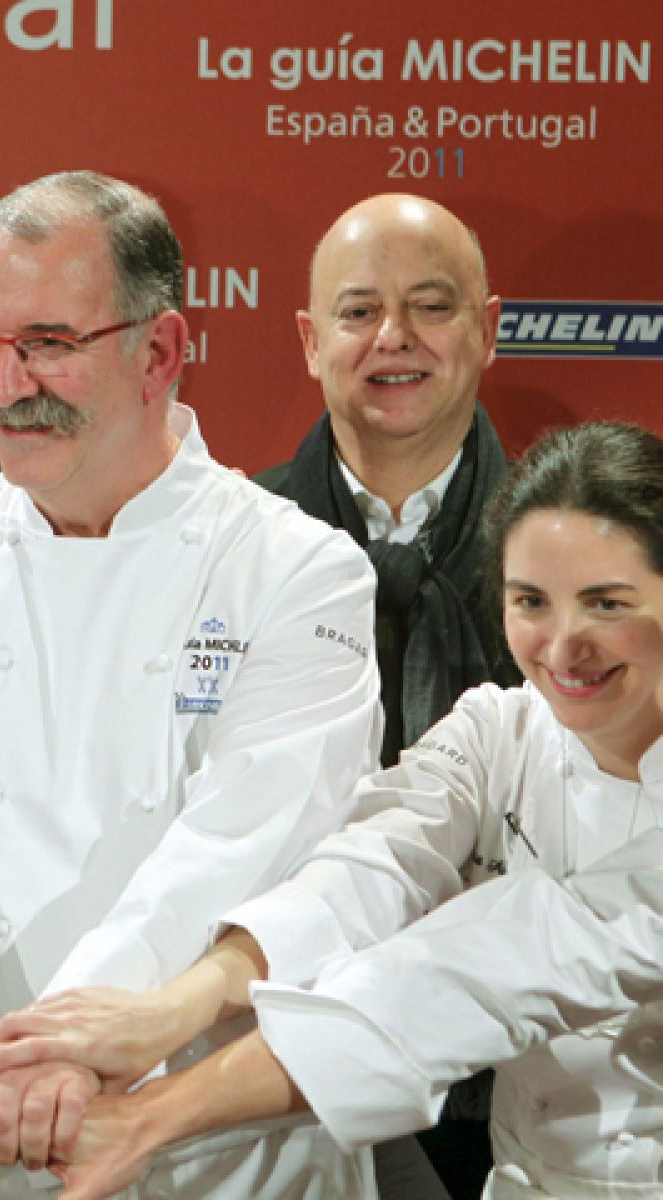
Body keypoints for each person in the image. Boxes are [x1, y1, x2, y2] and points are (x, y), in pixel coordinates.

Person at [0, 171, 384, 1198]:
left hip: (215, 1156)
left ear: (161, 351)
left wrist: (66, 1038)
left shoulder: (291, 570)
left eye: (47, 344)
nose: (3, 386)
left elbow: (238, 848)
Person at [0, 421, 663, 1200]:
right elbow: (369, 865)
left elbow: (479, 974)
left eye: (608, 603)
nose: (564, 644)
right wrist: (176, 1004)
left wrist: (156, 1111)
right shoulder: (495, 731)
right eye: (531, 601)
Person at [255, 191, 521, 1197]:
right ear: (308, 340)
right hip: (275, 1079)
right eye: (358, 311)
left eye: (431, 306)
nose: (392, 339)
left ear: (489, 329)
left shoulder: (587, 556)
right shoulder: (231, 546)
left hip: (527, 1086)